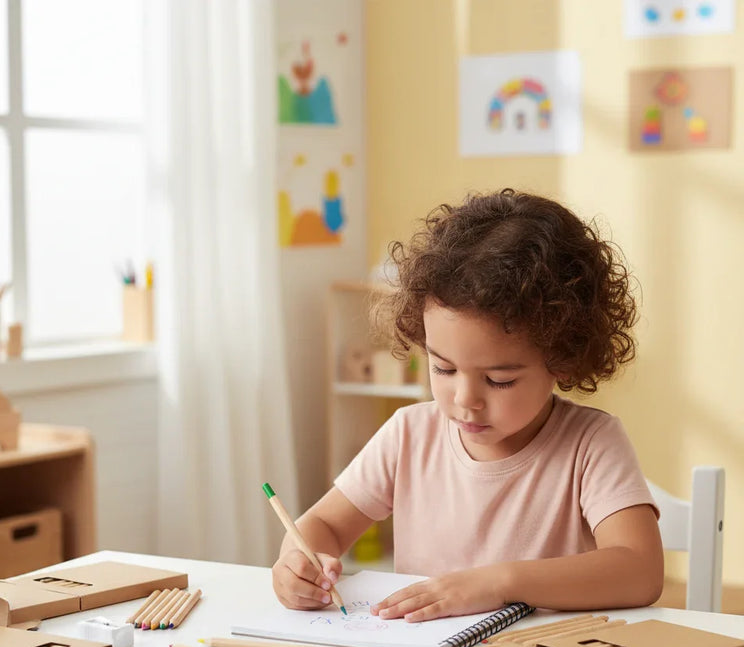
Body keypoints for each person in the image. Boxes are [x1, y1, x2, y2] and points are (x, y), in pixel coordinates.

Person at [272, 188, 663, 621]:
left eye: (499, 380)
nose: (465, 400)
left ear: (564, 361)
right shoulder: (408, 434)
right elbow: (322, 526)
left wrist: (499, 583)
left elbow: (639, 569)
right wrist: (298, 563)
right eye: (442, 369)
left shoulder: (590, 443)